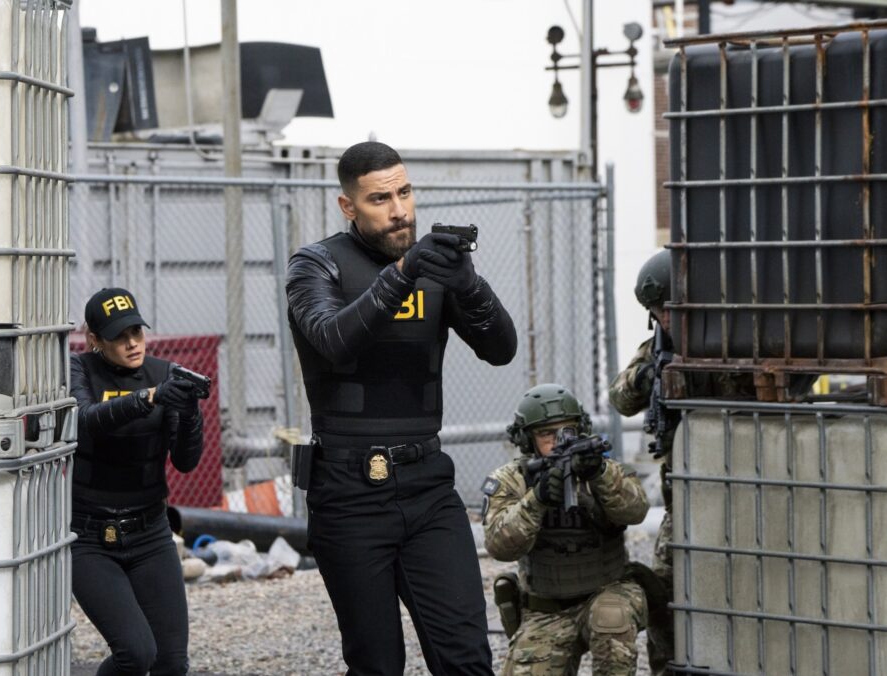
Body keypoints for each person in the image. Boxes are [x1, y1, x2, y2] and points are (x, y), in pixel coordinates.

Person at [286, 141, 517, 675]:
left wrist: (468, 284)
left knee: (467, 658)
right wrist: (404, 272)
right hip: (348, 492)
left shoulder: (434, 267)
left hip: (427, 487)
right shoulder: (316, 265)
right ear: (348, 206)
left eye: (405, 193)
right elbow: (333, 338)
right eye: (380, 199)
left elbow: (501, 349)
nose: (399, 211)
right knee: (377, 664)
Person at [608, 249, 753, 676]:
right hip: (685, 500)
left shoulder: (735, 336)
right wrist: (651, 375)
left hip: (744, 493)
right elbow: (619, 398)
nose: (666, 318)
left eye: (671, 307)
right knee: (665, 595)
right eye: (658, 311)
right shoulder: (657, 349)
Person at [70, 287, 204, 676]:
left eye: (136, 332)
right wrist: (149, 397)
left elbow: (185, 462)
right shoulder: (79, 370)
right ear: (95, 339)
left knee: (171, 662)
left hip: (150, 533)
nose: (132, 344)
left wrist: (189, 413)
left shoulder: (164, 373)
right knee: (136, 653)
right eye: (119, 337)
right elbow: (86, 420)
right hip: (89, 538)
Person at [483, 383, 650, 676]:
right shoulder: (513, 480)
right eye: (546, 434)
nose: (559, 440)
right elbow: (499, 546)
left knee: (612, 618)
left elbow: (636, 511)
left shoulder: (603, 469)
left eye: (567, 431)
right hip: (546, 608)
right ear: (527, 439)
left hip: (606, 592)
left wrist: (599, 474)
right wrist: (537, 500)